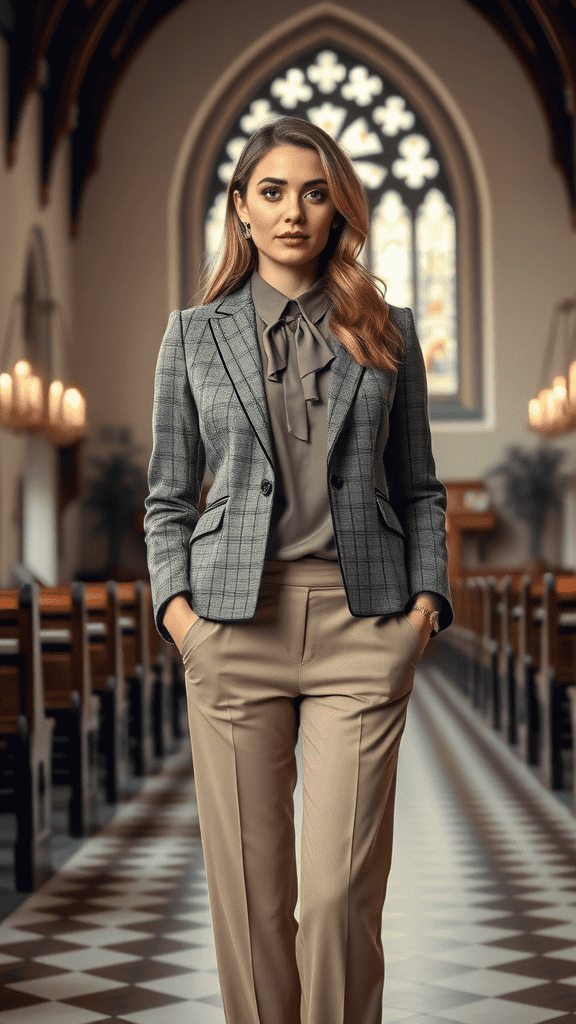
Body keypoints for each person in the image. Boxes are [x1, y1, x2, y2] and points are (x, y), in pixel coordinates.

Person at [144, 115, 453, 1024]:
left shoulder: (388, 332)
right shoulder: (193, 336)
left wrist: (423, 610)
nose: (292, 212)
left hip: (364, 630)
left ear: (338, 210)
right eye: (271, 192)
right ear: (241, 210)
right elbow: (167, 498)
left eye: (314, 193)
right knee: (249, 905)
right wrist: (182, 622)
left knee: (335, 901)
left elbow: (422, 488)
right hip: (233, 630)